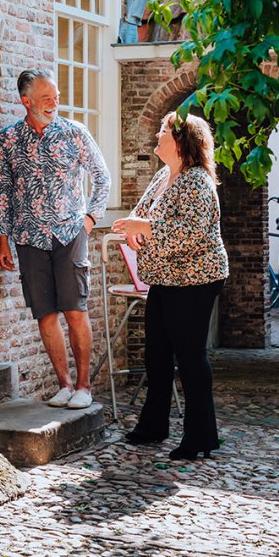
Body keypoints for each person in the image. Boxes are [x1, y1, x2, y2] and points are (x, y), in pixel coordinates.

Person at [112, 111, 229, 460]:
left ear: (180, 141)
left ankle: (201, 437)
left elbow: (188, 233)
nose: (158, 135)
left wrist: (142, 229)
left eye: (164, 131)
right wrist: (135, 231)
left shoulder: (196, 182)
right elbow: (142, 215)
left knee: (190, 356)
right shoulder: (164, 175)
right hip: (164, 277)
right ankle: (154, 425)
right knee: (157, 353)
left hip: (195, 278)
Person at [0, 69, 111, 409]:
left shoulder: (74, 134)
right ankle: (63, 384)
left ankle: (84, 386)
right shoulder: (9, 140)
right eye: (46, 98)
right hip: (28, 237)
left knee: (75, 310)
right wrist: (3, 239)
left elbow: (102, 178)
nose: (53, 103)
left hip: (68, 233)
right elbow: (3, 191)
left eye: (56, 97)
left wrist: (89, 220)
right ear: (26, 101)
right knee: (45, 313)